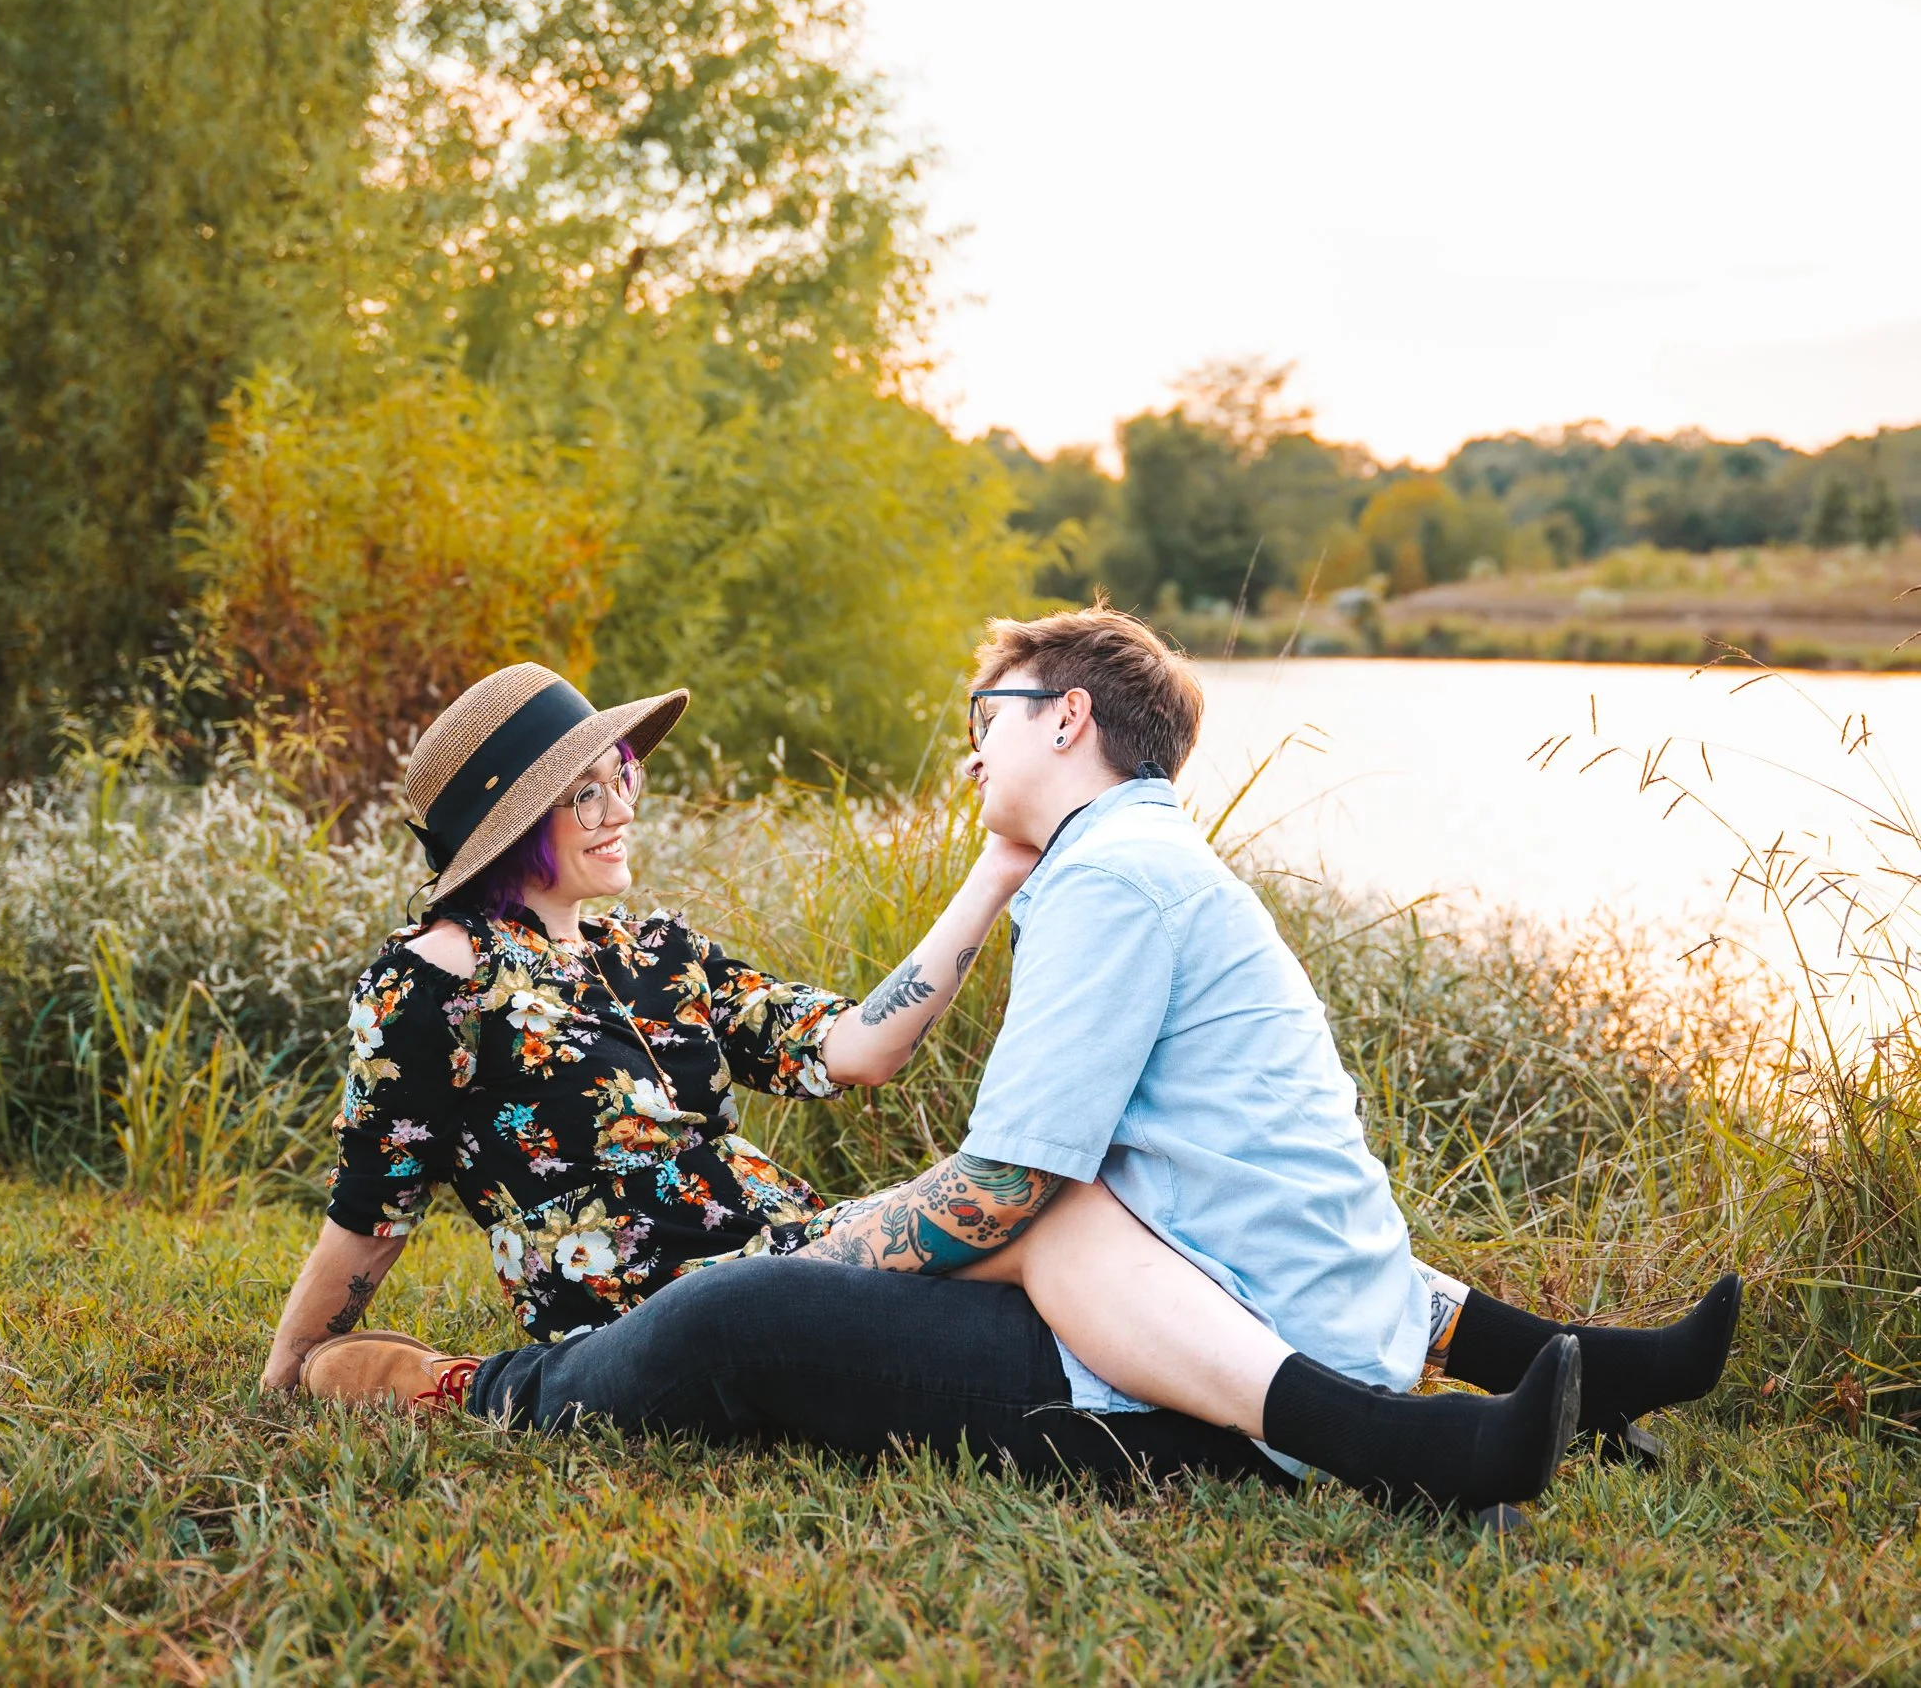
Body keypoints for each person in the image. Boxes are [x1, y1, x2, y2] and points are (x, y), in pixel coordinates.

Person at [284, 633, 1739, 1516]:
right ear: (511, 823)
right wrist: (293, 1362)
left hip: (791, 1252)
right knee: (794, 1287)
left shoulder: (654, 949)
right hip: (649, 1318)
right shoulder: (429, 988)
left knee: (1092, 1206)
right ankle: (493, 1392)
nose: (624, 797)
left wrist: (993, 871)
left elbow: (852, 1050)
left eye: (623, 772)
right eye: (590, 784)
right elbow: (370, 1210)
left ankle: (1443, 1415)